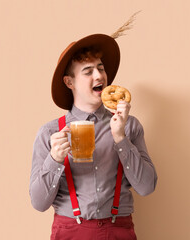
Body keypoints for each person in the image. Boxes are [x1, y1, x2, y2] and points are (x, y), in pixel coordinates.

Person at [29, 33, 158, 240]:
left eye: (100, 68)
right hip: (70, 233)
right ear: (69, 82)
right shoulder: (50, 133)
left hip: (118, 231)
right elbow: (38, 203)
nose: (99, 76)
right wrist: (54, 159)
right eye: (88, 72)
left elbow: (146, 187)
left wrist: (120, 139)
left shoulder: (129, 125)